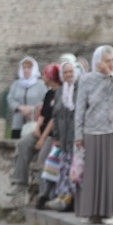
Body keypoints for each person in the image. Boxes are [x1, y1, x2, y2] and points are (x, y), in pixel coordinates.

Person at [74, 45, 113, 225]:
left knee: (112, 173)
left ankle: (112, 211)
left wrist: (111, 74)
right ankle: (93, 212)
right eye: (106, 61)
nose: (110, 64)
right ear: (98, 61)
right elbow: (80, 108)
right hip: (93, 130)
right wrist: (78, 133)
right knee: (94, 173)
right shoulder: (86, 79)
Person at [9, 63, 60, 201]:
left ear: (50, 76)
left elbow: (53, 119)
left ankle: (44, 194)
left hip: (51, 135)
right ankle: (20, 182)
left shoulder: (60, 93)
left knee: (42, 159)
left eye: (45, 74)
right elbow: (43, 114)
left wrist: (42, 138)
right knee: (22, 144)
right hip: (41, 131)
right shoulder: (49, 93)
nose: (43, 76)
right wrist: (37, 128)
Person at [45, 60, 80, 212]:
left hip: (76, 137)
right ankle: (63, 196)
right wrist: (57, 136)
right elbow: (56, 115)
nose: (69, 75)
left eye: (71, 71)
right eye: (65, 72)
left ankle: (73, 199)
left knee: (75, 169)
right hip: (64, 138)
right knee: (63, 168)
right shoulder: (60, 91)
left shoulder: (79, 89)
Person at [6, 56, 47, 139]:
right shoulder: (16, 84)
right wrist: (20, 107)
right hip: (18, 122)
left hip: (34, 122)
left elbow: (46, 100)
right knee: (16, 146)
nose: (26, 70)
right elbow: (10, 99)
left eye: (29, 67)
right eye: (24, 68)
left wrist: (33, 109)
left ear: (34, 69)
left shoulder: (41, 84)